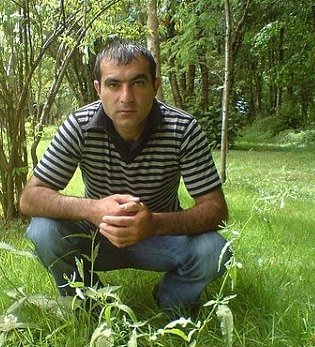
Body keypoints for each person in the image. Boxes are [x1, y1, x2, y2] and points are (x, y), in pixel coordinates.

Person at [19, 39, 231, 318]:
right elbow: (30, 197)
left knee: (215, 251)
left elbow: (216, 209)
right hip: (97, 235)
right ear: (98, 89)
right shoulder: (79, 125)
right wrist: (94, 209)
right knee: (42, 231)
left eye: (138, 83)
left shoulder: (183, 129)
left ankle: (173, 299)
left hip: (160, 235)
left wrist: (153, 223)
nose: (126, 97)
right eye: (113, 84)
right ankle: (90, 305)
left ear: (155, 86)